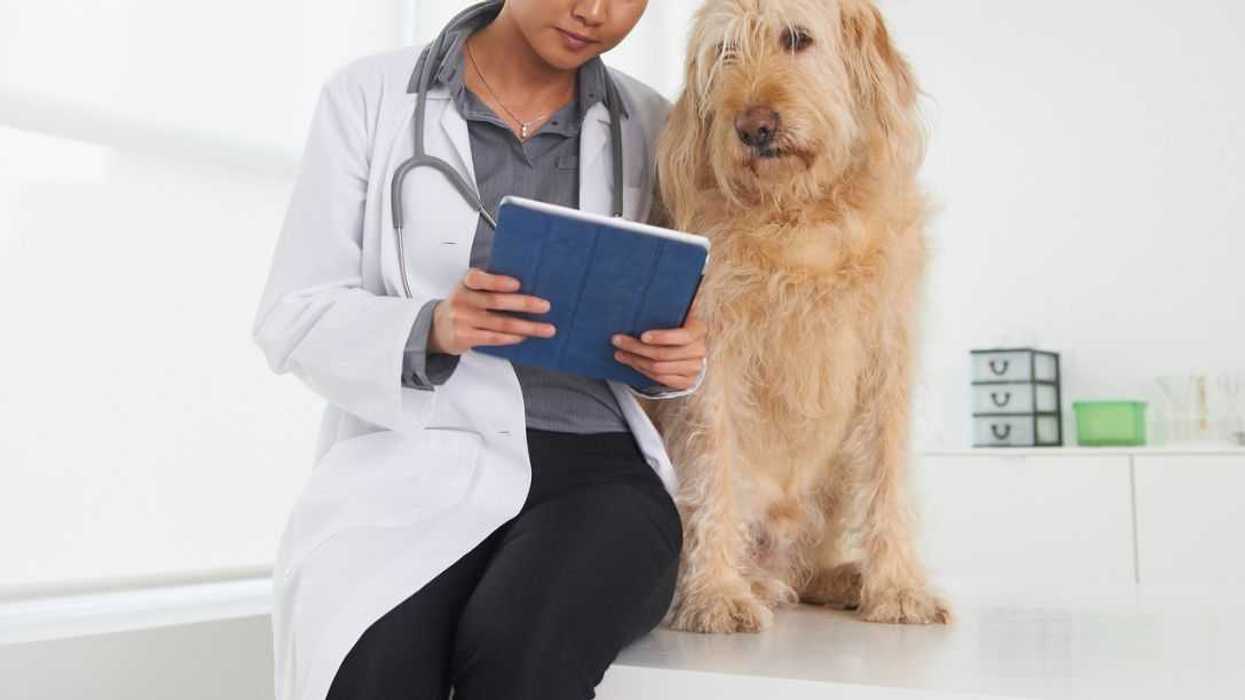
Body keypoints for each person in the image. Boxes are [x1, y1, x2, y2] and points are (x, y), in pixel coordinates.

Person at [249, 1, 708, 699]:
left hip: (599, 472)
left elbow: (688, 321)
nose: (595, 11)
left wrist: (679, 363)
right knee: (373, 671)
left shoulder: (655, 126)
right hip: (415, 456)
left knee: (523, 658)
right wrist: (432, 326)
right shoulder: (369, 98)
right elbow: (293, 314)